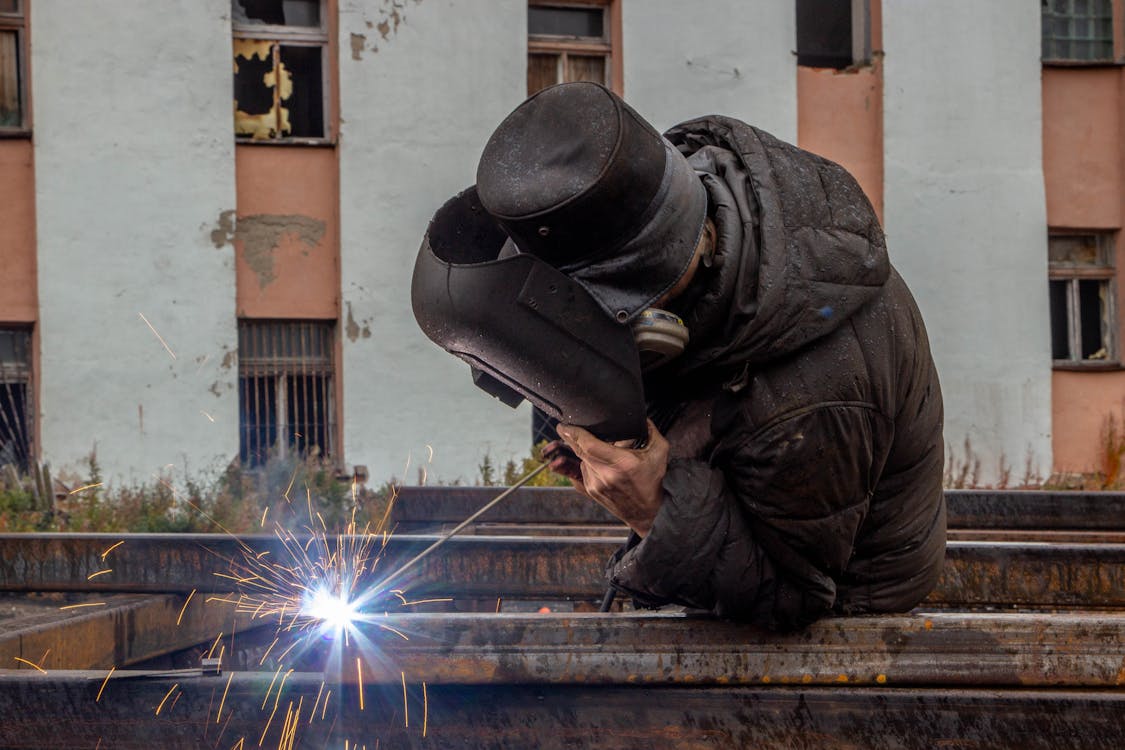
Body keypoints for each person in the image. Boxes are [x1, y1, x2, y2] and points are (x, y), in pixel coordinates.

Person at [467, 82, 946, 631]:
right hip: (767, 519)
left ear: (647, 309)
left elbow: (790, 599)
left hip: (846, 616)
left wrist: (654, 508)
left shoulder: (809, 399)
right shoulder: (698, 207)